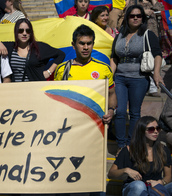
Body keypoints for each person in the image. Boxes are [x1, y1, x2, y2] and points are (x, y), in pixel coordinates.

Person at [110, 5, 164, 155]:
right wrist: (110, 76)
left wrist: (157, 73)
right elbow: (114, 57)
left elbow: (157, 54)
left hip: (139, 78)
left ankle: (130, 144)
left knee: (134, 112)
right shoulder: (120, 34)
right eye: (132, 15)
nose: (135, 18)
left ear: (143, 18)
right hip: (120, 77)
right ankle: (121, 145)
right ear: (127, 18)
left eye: (139, 16)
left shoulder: (148, 34)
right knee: (120, 111)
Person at [54, 24, 117, 126]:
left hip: (96, 124)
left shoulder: (104, 68)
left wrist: (111, 111)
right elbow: (56, 97)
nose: (86, 47)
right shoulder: (62, 69)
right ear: (73, 45)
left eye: (89, 43)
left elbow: (111, 93)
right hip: (69, 122)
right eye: (82, 43)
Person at [108, 116, 172, 195]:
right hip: (134, 187)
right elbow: (111, 173)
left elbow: (168, 176)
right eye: (151, 129)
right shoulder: (128, 150)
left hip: (156, 187)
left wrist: (161, 182)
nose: (156, 131)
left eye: (158, 128)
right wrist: (126, 170)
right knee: (139, 185)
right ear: (141, 131)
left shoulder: (163, 150)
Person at [0, 18, 65, 82]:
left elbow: (61, 54)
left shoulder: (40, 47)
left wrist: (49, 72)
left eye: (27, 31)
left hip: (34, 89)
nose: (24, 33)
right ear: (16, 32)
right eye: (21, 30)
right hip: (16, 91)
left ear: (31, 33)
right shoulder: (10, 47)